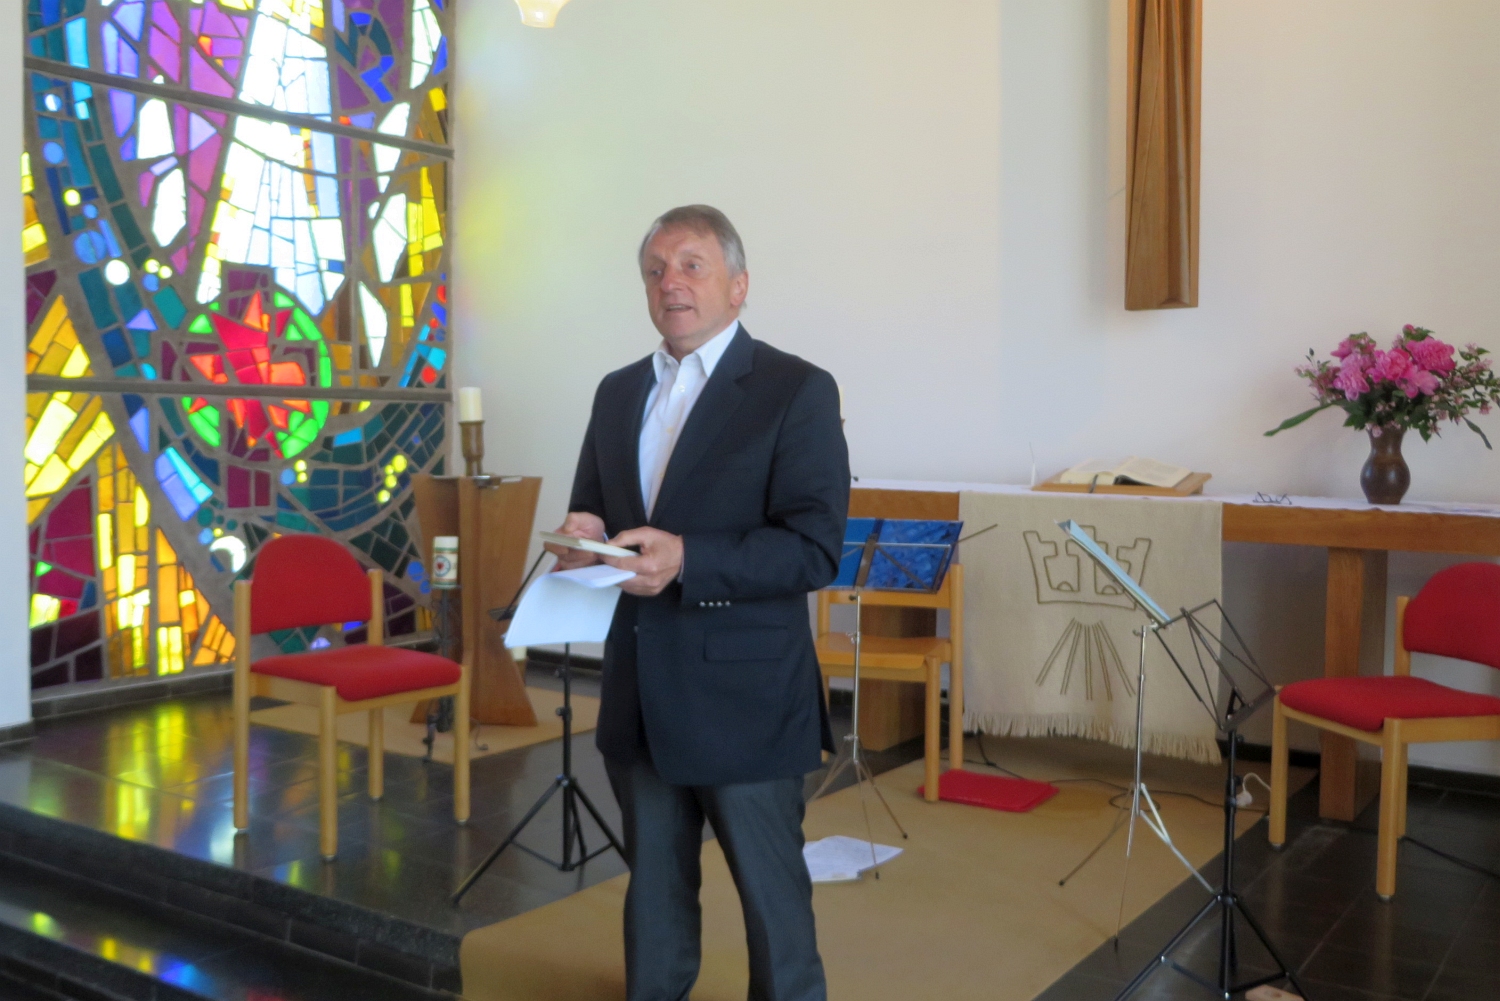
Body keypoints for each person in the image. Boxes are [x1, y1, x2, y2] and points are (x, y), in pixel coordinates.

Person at [546, 205, 848, 1001]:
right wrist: (583, 536)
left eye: (691, 265)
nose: (670, 282)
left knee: (773, 909)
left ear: (738, 285)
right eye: (655, 270)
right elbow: (595, 509)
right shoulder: (617, 391)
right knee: (654, 898)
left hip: (746, 698)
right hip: (640, 688)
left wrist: (689, 559)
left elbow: (814, 547)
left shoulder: (795, 389)